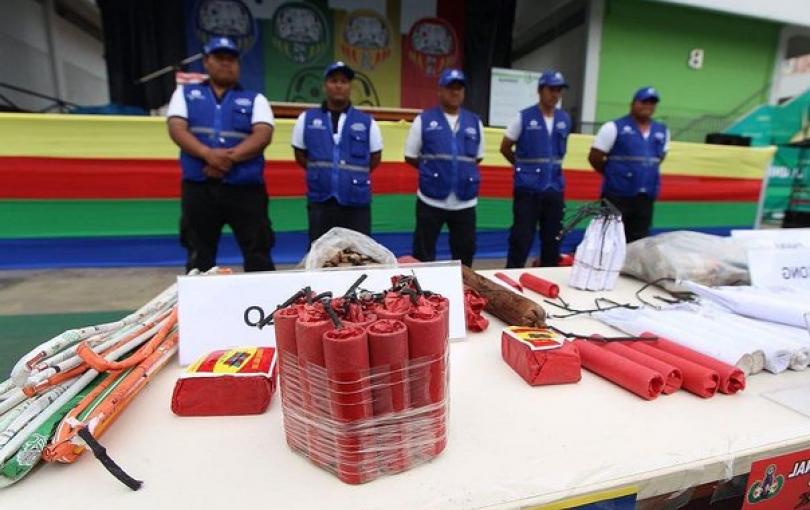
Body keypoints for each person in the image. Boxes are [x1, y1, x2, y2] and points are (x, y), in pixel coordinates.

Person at [166, 36, 276, 272]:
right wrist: (207, 154)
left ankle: (269, 308)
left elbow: (263, 135)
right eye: (219, 58)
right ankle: (202, 307)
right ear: (206, 62)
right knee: (199, 254)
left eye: (231, 59)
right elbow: (177, 129)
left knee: (258, 252)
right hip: (200, 188)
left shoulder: (255, 99)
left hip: (246, 190)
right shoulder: (185, 95)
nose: (226, 63)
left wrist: (227, 159)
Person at [291, 61, 383, 243]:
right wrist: (324, 173)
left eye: (344, 81)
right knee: (320, 255)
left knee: (360, 255)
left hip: (356, 203)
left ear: (350, 86)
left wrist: (348, 176)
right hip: (320, 200)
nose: (339, 85)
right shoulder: (306, 119)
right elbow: (300, 154)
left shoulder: (367, 122)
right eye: (334, 80)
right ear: (325, 85)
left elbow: (375, 157)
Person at [404, 68, 484, 267]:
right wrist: (436, 173)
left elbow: (477, 158)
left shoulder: (475, 122)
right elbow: (411, 156)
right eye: (450, 88)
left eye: (459, 88)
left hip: (464, 202)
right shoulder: (424, 120)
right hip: (431, 200)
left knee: (465, 253)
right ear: (440, 91)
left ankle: (464, 292)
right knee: (423, 254)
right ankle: (420, 295)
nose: (455, 92)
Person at [500, 70, 572, 268]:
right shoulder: (523, 117)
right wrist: (522, 168)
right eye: (551, 89)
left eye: (559, 90)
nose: (555, 95)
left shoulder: (565, 119)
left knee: (552, 239)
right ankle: (511, 280)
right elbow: (505, 146)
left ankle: (548, 278)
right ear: (540, 90)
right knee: (521, 238)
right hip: (528, 190)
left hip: (554, 189)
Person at [588, 86, 670, 243]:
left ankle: (630, 268)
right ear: (633, 103)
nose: (648, 106)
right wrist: (616, 174)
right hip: (616, 196)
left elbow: (659, 158)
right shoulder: (613, 127)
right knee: (608, 239)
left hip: (645, 197)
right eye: (644, 101)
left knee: (639, 241)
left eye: (652, 103)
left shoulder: (662, 131)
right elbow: (595, 157)